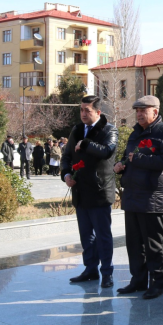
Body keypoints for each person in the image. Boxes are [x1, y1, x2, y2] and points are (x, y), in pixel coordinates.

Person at [113, 95, 163, 299]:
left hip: (152, 198)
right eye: (137, 111)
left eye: (143, 110)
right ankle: (138, 280)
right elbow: (128, 156)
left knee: (154, 244)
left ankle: (157, 283)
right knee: (134, 243)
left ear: (155, 112)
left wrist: (140, 159)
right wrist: (121, 165)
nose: (139, 114)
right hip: (132, 195)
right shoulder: (135, 133)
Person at [63, 95, 118, 289]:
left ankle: (107, 272)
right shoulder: (77, 130)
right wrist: (66, 174)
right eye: (81, 110)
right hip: (80, 192)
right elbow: (67, 156)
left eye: (88, 110)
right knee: (86, 235)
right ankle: (90, 269)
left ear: (98, 112)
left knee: (103, 235)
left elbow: (107, 151)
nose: (83, 114)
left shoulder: (109, 129)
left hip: (99, 191)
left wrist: (86, 143)